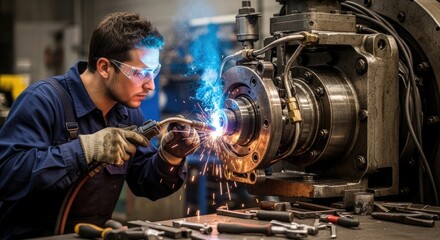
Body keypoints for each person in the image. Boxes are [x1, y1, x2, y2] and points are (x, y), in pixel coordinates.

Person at [0, 12, 200, 239]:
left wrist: (169, 157)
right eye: (140, 73)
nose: (151, 85)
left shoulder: (128, 114)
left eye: (153, 72)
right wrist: (84, 150)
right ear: (104, 67)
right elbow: (7, 176)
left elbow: (147, 184)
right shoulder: (43, 101)